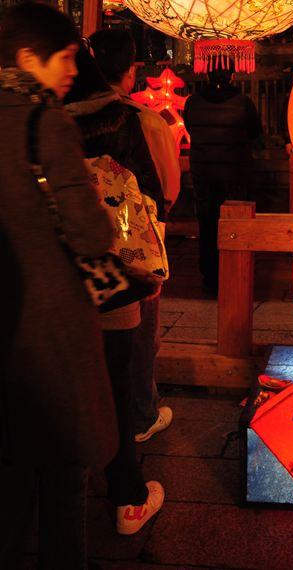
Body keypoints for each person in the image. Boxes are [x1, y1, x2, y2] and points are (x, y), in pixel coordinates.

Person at [0, 2, 118, 569]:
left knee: (10, 471)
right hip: (48, 323)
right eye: (65, 57)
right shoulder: (44, 122)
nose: (74, 70)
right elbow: (90, 234)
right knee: (64, 467)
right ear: (29, 58)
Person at [65, 45, 165, 536]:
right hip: (114, 272)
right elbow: (152, 193)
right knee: (116, 385)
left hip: (57, 282)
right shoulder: (129, 120)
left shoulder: (40, 122)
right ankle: (127, 498)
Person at [89, 27, 179, 443]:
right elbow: (168, 188)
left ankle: (99, 414)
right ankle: (142, 413)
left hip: (83, 243)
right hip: (136, 243)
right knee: (140, 330)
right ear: (130, 71)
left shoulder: (61, 116)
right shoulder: (142, 119)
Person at [183, 65, 262, 296]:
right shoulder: (243, 103)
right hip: (234, 173)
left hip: (204, 172)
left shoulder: (193, 102)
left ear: (207, 74)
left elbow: (190, 128)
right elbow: (255, 133)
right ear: (233, 75)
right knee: (234, 224)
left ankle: (210, 275)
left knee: (207, 223)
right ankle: (233, 273)